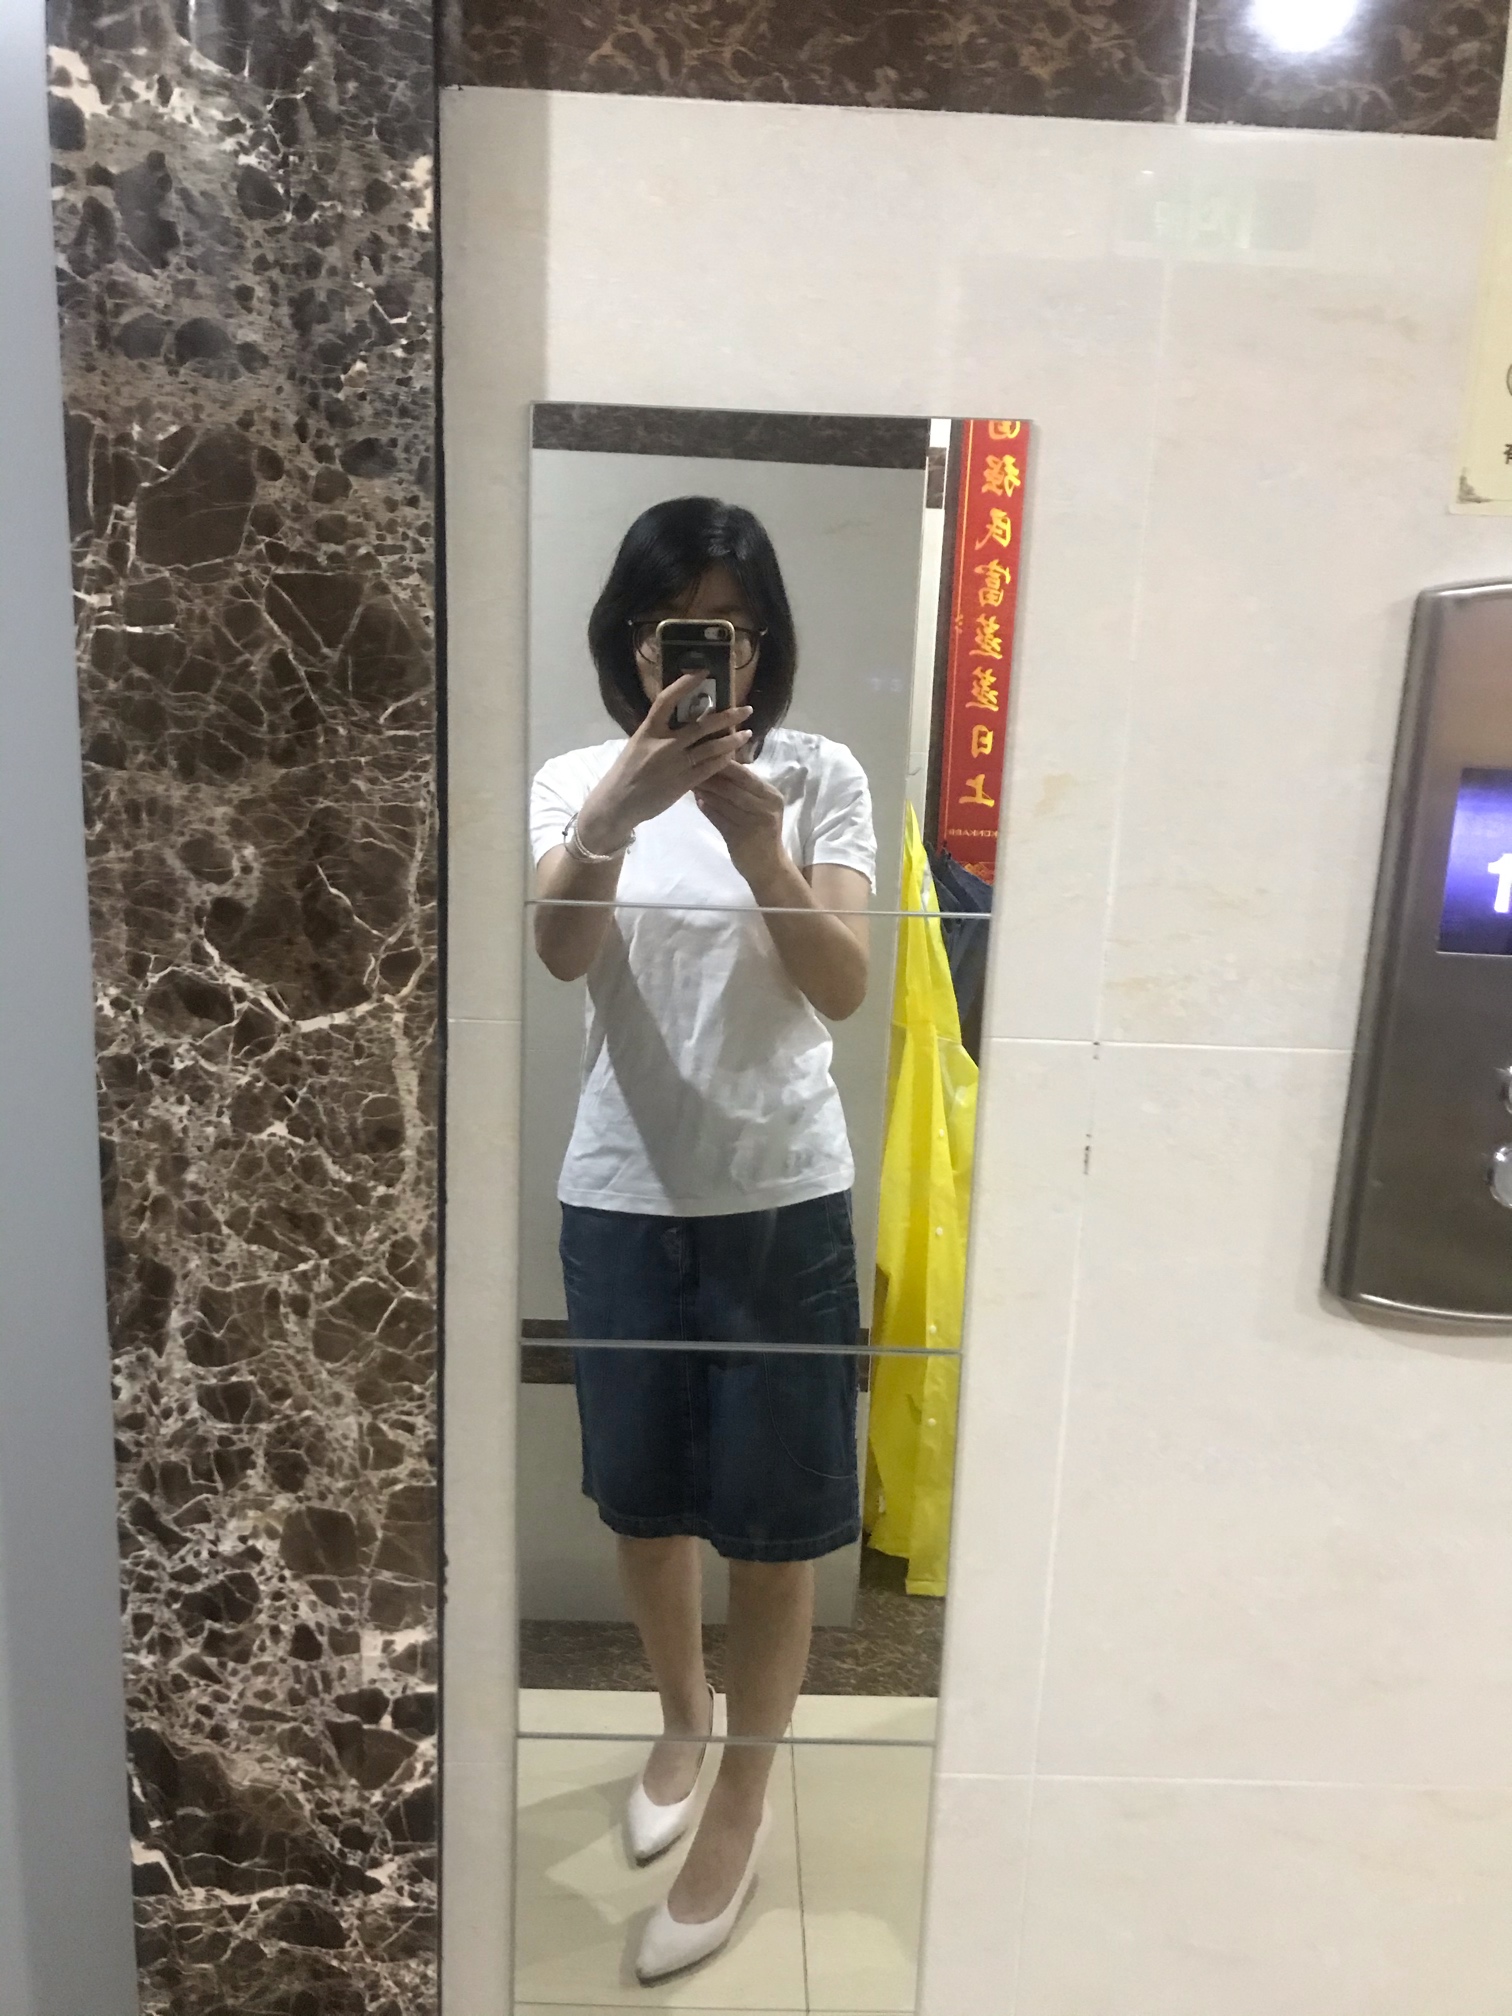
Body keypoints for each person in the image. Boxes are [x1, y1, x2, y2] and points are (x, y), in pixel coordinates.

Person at [529, 495, 876, 1981]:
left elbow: (843, 985)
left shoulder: (820, 775)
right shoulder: (573, 781)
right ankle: (679, 1718)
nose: (699, 651)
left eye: (729, 628)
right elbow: (560, 953)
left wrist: (762, 852)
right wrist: (614, 815)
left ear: (763, 641)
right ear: (629, 640)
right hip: (622, 1192)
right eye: (675, 624)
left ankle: (743, 1786)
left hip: (781, 1193)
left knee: (775, 1526)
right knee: (644, 1502)